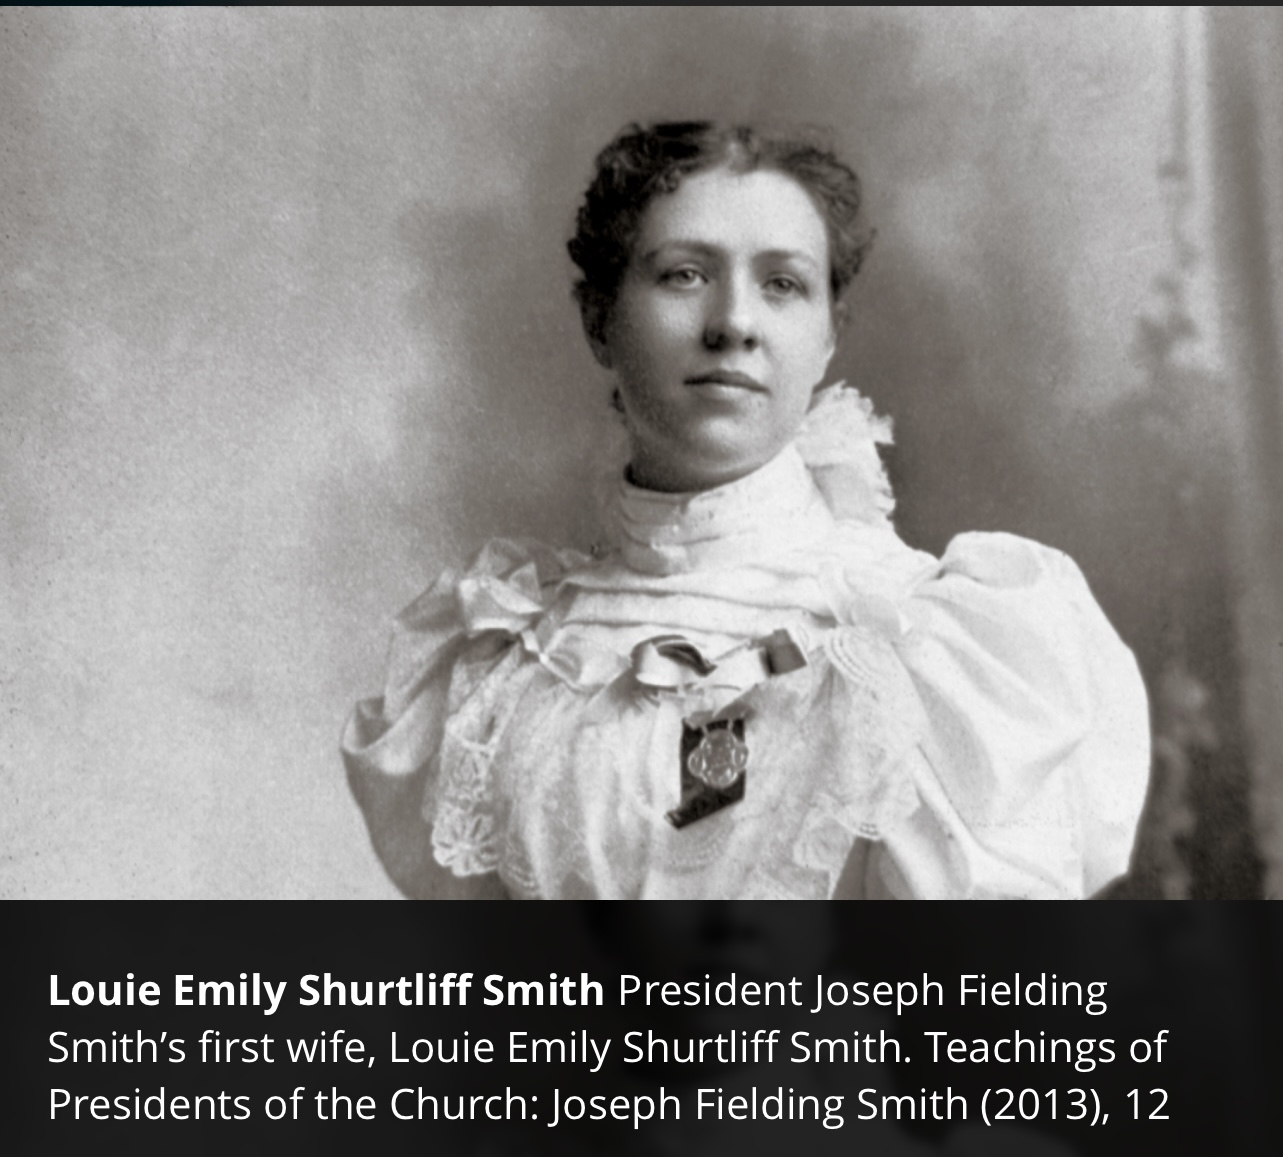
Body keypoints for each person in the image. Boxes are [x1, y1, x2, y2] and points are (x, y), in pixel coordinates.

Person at [341, 121, 1150, 900]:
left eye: (782, 284)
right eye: (683, 274)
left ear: (827, 337)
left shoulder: (927, 647)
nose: (732, 323)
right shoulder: (509, 660)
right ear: (598, 320)